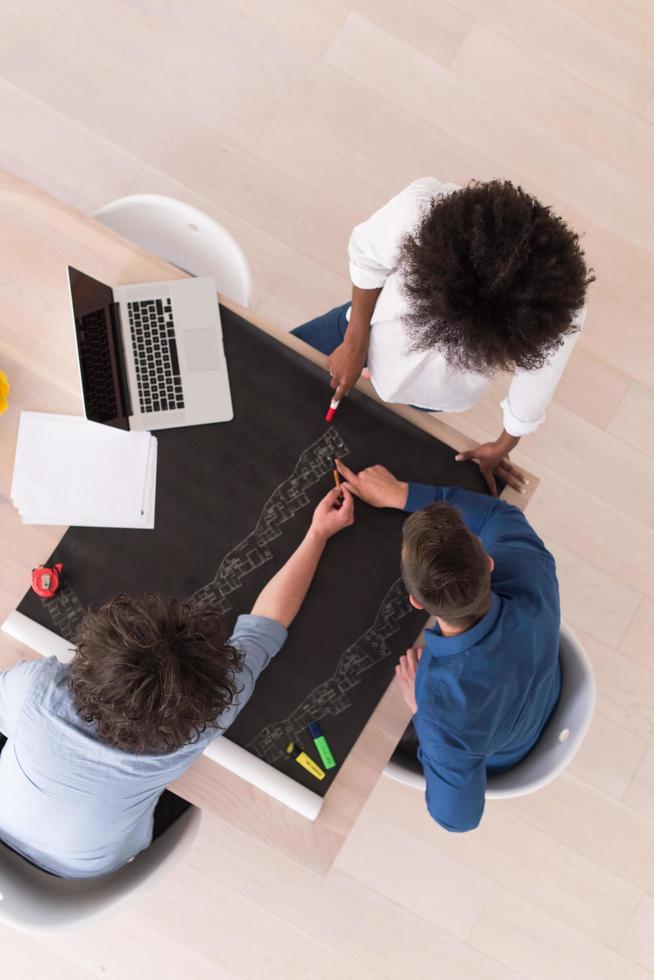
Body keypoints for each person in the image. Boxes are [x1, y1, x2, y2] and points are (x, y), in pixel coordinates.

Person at [0, 485, 354, 878]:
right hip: (87, 869)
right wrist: (318, 534)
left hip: (46, 855)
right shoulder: (210, 717)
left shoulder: (39, 691)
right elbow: (268, 626)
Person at [293, 178, 593, 495]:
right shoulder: (418, 214)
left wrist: (504, 444)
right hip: (359, 328)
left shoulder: (559, 306)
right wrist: (355, 339)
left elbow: (536, 384)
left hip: (432, 392)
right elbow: (368, 257)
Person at [335, 458, 560, 832]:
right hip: (540, 690)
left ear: (417, 603)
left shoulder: (441, 717)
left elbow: (458, 819)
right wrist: (401, 493)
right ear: (487, 563)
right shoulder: (528, 566)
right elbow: (497, 514)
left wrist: (420, 710)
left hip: (493, 751)